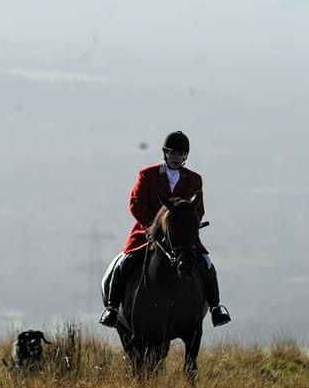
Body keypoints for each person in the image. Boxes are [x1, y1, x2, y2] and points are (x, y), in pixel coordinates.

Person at [99, 131, 230, 328]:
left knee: (207, 263)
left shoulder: (195, 180)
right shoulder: (147, 175)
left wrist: (188, 227)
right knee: (123, 263)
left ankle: (215, 308)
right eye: (172, 153)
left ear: (185, 156)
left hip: (181, 237)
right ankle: (112, 308)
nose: (176, 158)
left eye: (180, 154)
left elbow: (198, 209)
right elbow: (136, 203)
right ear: (165, 153)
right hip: (148, 232)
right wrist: (152, 226)